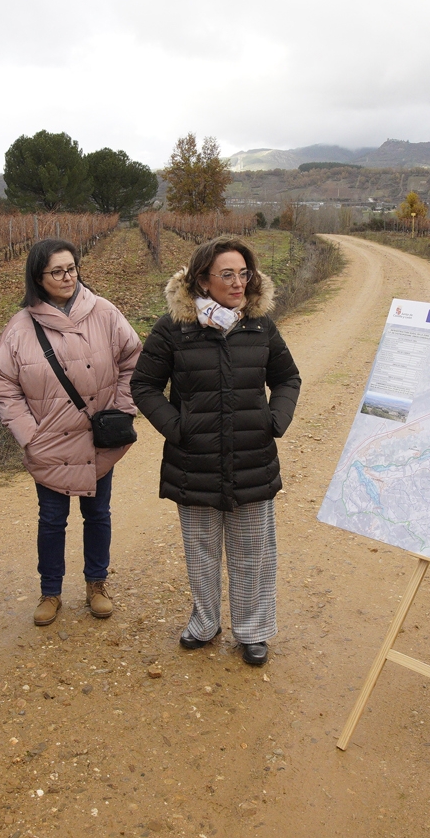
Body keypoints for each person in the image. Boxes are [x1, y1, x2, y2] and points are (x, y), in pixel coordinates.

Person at [131, 236, 301, 666]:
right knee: (201, 549)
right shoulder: (175, 328)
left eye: (244, 273)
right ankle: (205, 623)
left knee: (254, 552)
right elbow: (144, 385)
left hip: (252, 457)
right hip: (195, 461)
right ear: (202, 280)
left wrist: (273, 420)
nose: (239, 282)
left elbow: (287, 379)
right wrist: (177, 427)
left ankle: (254, 631)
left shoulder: (260, 326)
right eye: (227, 274)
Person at [0, 239, 141, 626]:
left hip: (98, 437)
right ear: (38, 278)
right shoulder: (21, 327)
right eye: (57, 271)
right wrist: (29, 434)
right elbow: (2, 382)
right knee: (52, 519)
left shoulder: (104, 312)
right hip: (51, 443)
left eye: (71, 268)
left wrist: (122, 408)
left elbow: (133, 361)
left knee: (98, 513)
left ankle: (96, 584)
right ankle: (50, 592)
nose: (67, 277)